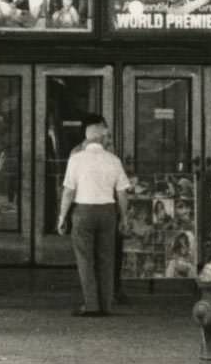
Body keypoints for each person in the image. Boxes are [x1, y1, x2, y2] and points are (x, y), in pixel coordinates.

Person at [60, 115, 131, 315]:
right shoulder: (114, 160)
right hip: (108, 211)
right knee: (106, 259)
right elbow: (122, 193)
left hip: (83, 211)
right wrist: (123, 218)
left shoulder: (76, 158)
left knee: (85, 259)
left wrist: (61, 217)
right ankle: (106, 305)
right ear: (101, 137)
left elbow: (68, 191)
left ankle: (91, 305)